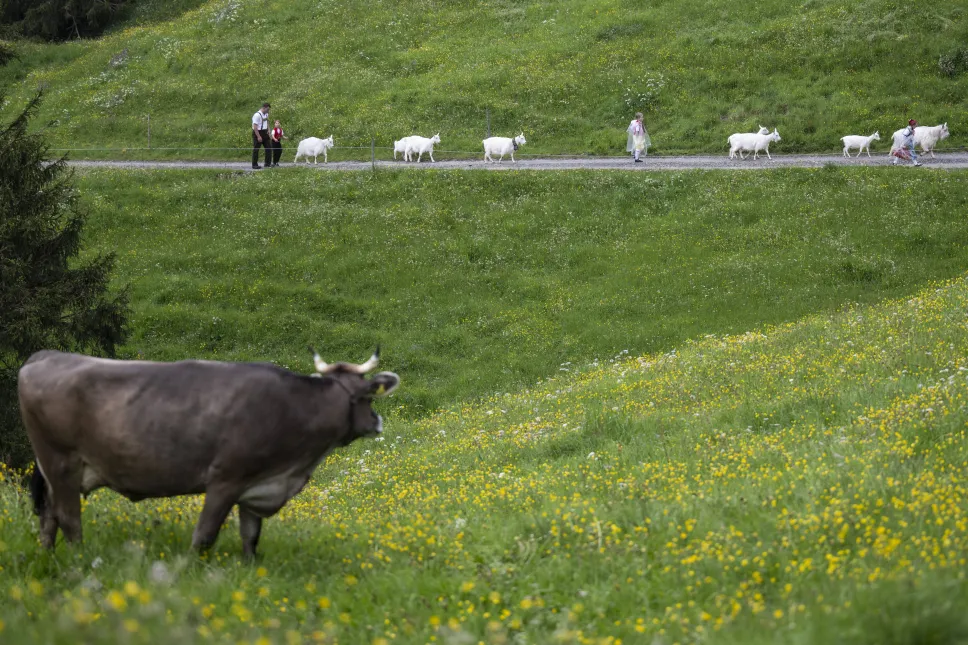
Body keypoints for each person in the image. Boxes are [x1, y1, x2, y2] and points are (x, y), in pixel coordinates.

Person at [251, 102, 271, 170]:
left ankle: (267, 163)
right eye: (267, 109)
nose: (268, 111)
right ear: (264, 108)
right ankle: (254, 164)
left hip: (265, 132)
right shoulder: (257, 115)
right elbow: (255, 127)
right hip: (258, 132)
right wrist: (258, 136)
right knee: (256, 149)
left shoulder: (266, 114)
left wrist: (268, 130)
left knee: (268, 148)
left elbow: (267, 122)